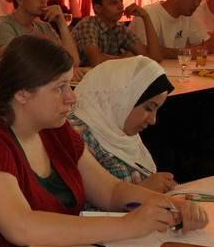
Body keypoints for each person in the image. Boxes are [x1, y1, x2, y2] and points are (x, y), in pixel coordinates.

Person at [0, 36, 206, 247]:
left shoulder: (55, 130)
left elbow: (110, 191)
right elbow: (21, 226)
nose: (71, 98)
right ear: (23, 93)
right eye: (59, 88)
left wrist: (169, 205)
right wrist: (127, 225)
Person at [69, 56, 176, 193]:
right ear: (124, 98)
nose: (153, 120)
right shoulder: (78, 135)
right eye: (149, 108)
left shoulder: (117, 128)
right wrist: (142, 190)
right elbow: (79, 202)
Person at [72, 0, 163, 66]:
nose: (121, 6)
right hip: (78, 77)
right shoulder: (88, 24)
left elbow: (155, 58)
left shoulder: (120, 29)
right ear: (98, 8)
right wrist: (125, 58)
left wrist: (145, 17)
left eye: (121, 0)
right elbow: (95, 60)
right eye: (114, 2)